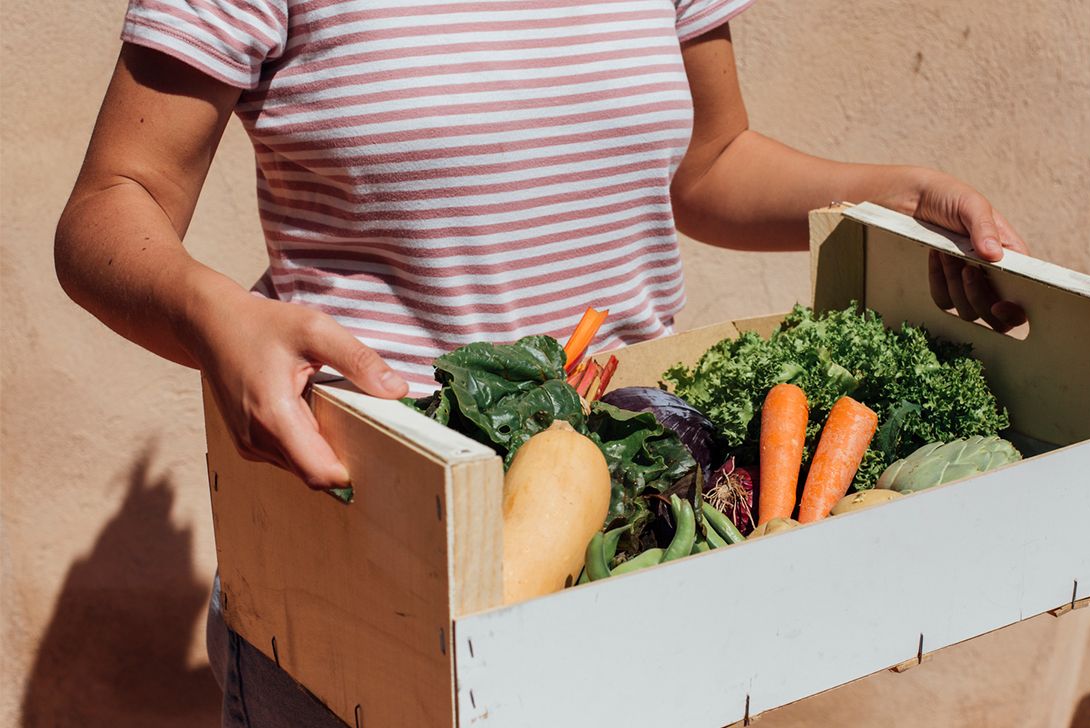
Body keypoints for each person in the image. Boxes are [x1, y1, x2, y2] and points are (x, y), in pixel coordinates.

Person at [55, 1, 1031, 724]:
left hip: (630, 545)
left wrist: (894, 194)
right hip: (371, 539)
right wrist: (212, 311)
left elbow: (709, 161)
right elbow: (110, 203)